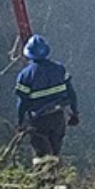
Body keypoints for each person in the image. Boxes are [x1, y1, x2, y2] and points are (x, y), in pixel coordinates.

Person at [14, 34, 79, 163]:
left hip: (39, 119)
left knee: (41, 157)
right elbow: (71, 93)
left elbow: (22, 102)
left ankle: (43, 181)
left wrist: (20, 121)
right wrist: (75, 112)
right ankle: (54, 180)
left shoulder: (26, 74)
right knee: (54, 154)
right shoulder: (59, 69)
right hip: (58, 117)